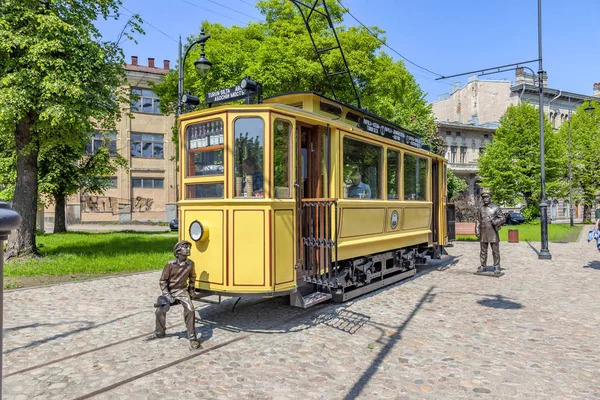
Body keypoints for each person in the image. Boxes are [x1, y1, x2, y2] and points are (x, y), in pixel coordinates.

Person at [145, 240, 201, 349]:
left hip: (182, 291)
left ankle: (192, 337)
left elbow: (192, 277)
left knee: (190, 310)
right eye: (186, 247)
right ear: (178, 251)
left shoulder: (190, 264)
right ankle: (159, 332)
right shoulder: (170, 264)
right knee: (159, 310)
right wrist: (167, 294)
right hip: (170, 291)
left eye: (189, 247)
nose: (189, 249)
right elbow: (163, 281)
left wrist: (191, 291)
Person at [475, 192, 506, 274]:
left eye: (487, 197)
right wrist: (477, 230)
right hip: (483, 231)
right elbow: (478, 220)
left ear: (490, 198)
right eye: (483, 197)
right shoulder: (480, 208)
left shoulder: (495, 207)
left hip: (493, 232)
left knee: (495, 251)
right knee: (483, 251)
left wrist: (495, 221)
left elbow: (503, 218)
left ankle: (496, 266)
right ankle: (483, 266)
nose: (485, 199)